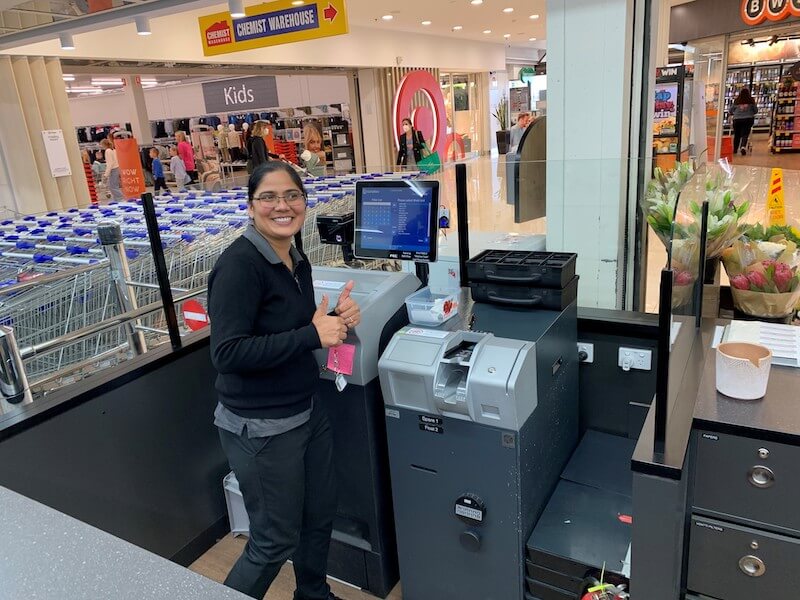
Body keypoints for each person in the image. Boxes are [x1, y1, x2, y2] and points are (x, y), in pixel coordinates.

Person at [208, 161, 361, 600]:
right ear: (251, 206)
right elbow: (228, 353)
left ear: (304, 202)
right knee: (273, 539)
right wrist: (313, 334)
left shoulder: (295, 258)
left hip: (306, 411)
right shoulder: (240, 266)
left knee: (318, 515)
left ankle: (312, 593)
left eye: (292, 195)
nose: (283, 205)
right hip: (261, 428)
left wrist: (332, 321)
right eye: (269, 197)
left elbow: (286, 333)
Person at [731, 88, 758, 156]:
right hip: (748, 119)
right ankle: (743, 147)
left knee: (737, 135)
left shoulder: (737, 100)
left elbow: (731, 110)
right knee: (745, 134)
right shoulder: (751, 100)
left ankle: (735, 149)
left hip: (737, 120)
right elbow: (755, 111)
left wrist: (735, 112)